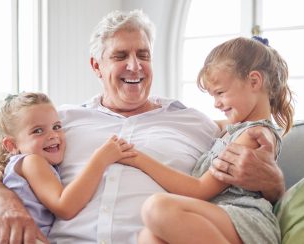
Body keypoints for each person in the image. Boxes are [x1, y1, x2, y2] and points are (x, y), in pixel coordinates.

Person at [0, 10, 286, 244]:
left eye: (143, 55)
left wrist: (274, 184)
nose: (134, 66)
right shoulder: (57, 123)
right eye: (121, 55)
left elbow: (250, 143)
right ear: (97, 65)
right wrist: (2, 201)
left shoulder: (195, 123)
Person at [118, 36, 294, 244]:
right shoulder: (232, 129)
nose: (217, 104)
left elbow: (199, 190)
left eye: (220, 93)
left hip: (246, 219)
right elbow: (207, 122)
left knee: (156, 207)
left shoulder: (254, 135)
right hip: (220, 216)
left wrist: (137, 158)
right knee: (147, 237)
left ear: (254, 81)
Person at [0, 92, 136, 244]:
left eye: (57, 127)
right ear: (11, 145)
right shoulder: (32, 162)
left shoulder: (26, 164)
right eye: (37, 131)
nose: (52, 135)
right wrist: (100, 160)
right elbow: (65, 206)